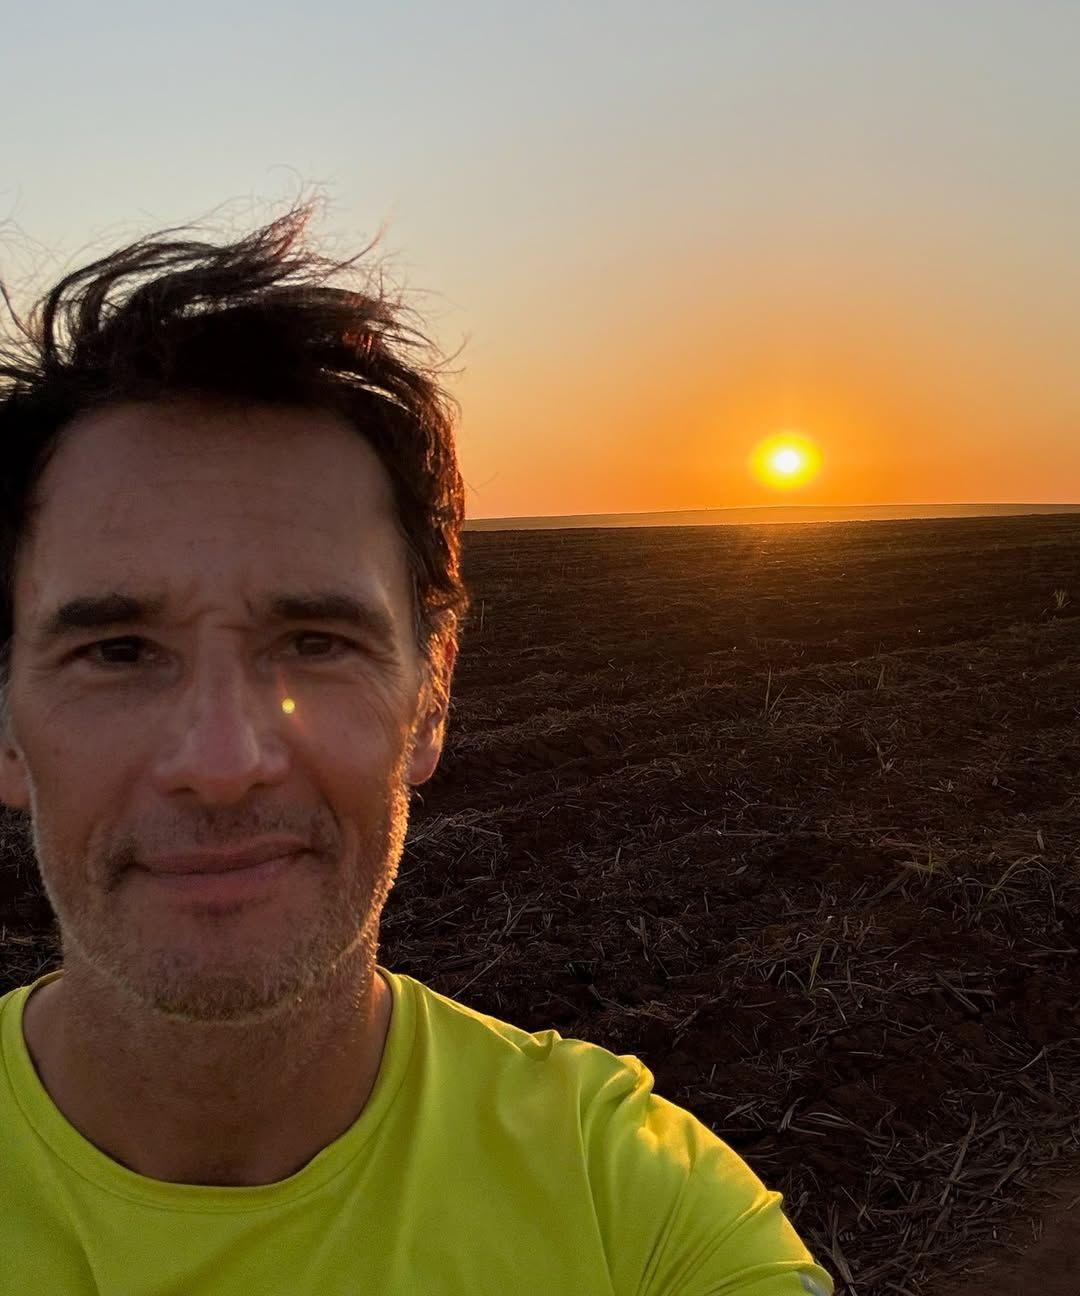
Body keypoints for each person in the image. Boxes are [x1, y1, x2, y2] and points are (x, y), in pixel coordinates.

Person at [0, 206, 834, 1295]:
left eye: (315, 642)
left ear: (430, 695)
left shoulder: (626, 1201)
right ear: (5, 723)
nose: (222, 761)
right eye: (117, 652)